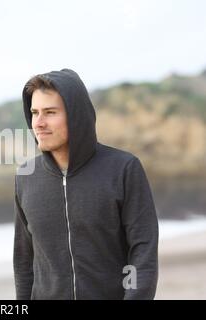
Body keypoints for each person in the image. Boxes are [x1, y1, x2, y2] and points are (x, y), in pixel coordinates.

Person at [13, 69, 159, 300]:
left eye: (50, 112)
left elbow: (142, 251)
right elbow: (24, 262)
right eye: (34, 112)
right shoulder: (26, 177)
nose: (38, 123)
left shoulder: (123, 169)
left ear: (75, 115)